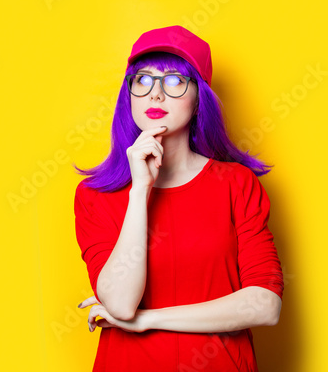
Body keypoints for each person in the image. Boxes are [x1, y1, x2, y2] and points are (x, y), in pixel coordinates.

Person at [73, 25, 284, 371]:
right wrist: (140, 189)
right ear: (130, 95)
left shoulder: (236, 183)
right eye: (143, 80)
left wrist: (148, 320)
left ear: (199, 97)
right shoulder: (96, 195)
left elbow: (264, 305)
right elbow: (121, 304)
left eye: (174, 81)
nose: (155, 95)